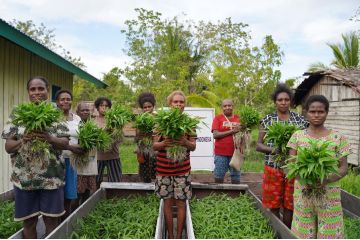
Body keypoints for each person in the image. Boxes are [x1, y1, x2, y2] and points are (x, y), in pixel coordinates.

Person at [2, 76, 69, 238]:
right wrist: (23, 140)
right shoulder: (18, 114)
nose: (37, 93)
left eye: (41, 89)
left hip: (52, 179)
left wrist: (50, 138)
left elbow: (65, 143)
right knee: (29, 222)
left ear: (47, 91)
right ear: (28, 92)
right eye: (33, 89)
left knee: (51, 220)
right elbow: (8, 147)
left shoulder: (56, 113)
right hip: (24, 179)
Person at [287, 95, 350, 239]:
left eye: (321, 111)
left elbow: (343, 168)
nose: (316, 115)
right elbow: (291, 164)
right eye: (312, 111)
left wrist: (326, 179)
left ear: (327, 113)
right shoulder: (297, 136)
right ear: (306, 113)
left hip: (329, 193)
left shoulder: (338, 138)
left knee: (330, 232)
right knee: (303, 232)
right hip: (304, 191)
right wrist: (305, 177)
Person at [256, 83, 308, 228]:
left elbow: (306, 142)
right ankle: (275, 231)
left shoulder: (300, 120)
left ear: (290, 101)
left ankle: (286, 233)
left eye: (286, 99)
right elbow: (258, 145)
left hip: (293, 169)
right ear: (275, 102)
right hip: (273, 167)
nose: (283, 102)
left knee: (290, 204)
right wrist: (276, 150)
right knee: (273, 203)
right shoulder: (267, 120)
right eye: (280, 100)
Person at [153, 90, 196, 239]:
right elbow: (154, 146)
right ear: (170, 104)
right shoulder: (161, 122)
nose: (178, 104)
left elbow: (193, 146)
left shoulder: (189, 123)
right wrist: (164, 143)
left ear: (185, 104)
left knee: (181, 203)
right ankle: (170, 235)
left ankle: (178, 236)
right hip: (163, 170)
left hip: (182, 171)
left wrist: (184, 142)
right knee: (167, 202)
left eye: (181, 102)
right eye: (175, 102)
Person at [55, 89, 82, 219]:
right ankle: (56, 220)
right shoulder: (53, 118)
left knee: (69, 193)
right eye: (62, 99)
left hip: (72, 160)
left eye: (68, 99)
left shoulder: (77, 118)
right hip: (56, 160)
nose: (66, 101)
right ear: (57, 102)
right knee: (57, 193)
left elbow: (82, 136)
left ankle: (65, 221)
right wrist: (71, 147)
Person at [211, 99, 241, 184]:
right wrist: (232, 131)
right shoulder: (218, 118)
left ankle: (236, 196)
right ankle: (219, 195)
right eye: (225, 106)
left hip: (236, 154)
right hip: (221, 154)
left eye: (229, 105)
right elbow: (215, 135)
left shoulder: (238, 118)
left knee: (236, 177)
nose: (227, 107)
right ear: (222, 108)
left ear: (233, 106)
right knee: (219, 176)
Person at [94, 97, 122, 186]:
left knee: (115, 181)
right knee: (96, 180)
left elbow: (120, 138)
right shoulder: (93, 121)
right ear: (97, 108)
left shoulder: (115, 120)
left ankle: (114, 198)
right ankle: (96, 197)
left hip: (113, 155)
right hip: (98, 156)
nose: (104, 108)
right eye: (101, 105)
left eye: (106, 106)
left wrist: (113, 130)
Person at [75, 102, 98, 206]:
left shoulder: (93, 125)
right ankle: (73, 214)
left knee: (87, 190)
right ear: (77, 112)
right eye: (82, 110)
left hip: (91, 161)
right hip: (78, 163)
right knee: (77, 192)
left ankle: (84, 210)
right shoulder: (75, 125)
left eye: (87, 110)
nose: (85, 112)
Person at [136, 92, 157, 183]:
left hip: (155, 148)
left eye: (149, 107)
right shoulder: (140, 119)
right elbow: (137, 137)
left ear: (153, 106)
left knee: (156, 170)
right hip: (144, 148)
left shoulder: (157, 118)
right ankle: (145, 191)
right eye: (145, 107)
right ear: (142, 108)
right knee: (144, 170)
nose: (147, 109)